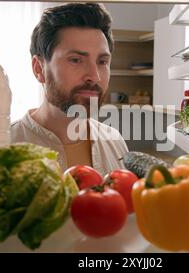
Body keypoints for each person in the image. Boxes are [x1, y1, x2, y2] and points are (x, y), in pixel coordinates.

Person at [10, 3, 128, 175]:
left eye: (102, 62)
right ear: (39, 69)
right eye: (75, 60)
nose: (94, 76)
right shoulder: (4, 146)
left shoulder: (115, 142)